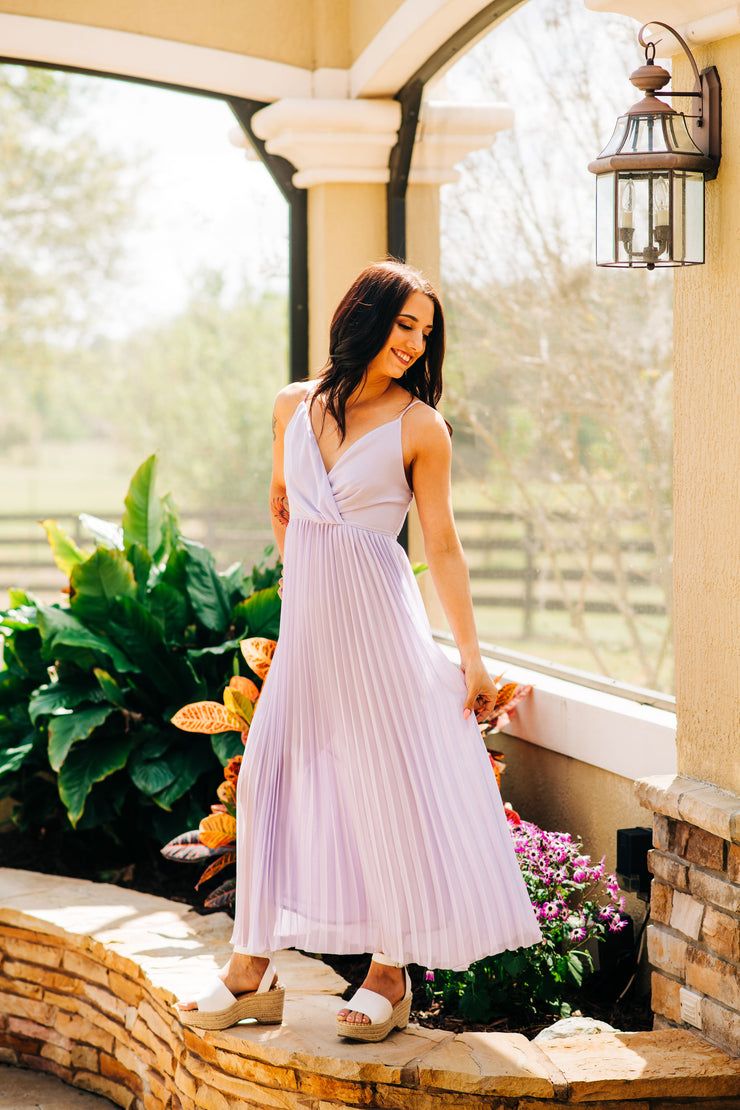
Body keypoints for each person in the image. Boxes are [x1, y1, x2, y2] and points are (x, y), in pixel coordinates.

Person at [177, 261, 542, 1041]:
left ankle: (390, 973)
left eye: (425, 331)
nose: (414, 343)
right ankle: (252, 970)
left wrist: (473, 661)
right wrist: (301, 584)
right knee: (267, 779)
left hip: (380, 628)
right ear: (365, 316)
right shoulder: (292, 406)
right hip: (310, 627)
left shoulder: (421, 427)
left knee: (385, 791)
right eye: (404, 323)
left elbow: (442, 545)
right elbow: (282, 503)